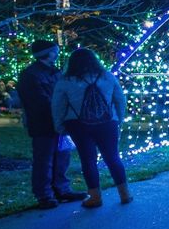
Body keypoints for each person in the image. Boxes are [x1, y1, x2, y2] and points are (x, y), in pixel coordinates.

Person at [50, 48, 130, 208]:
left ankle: (95, 197)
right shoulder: (107, 76)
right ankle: (125, 194)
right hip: (107, 123)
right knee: (113, 157)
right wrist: (118, 120)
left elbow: (58, 105)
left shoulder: (66, 80)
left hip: (78, 124)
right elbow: (120, 100)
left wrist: (59, 125)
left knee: (88, 160)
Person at [18, 40, 86, 209]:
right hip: (44, 125)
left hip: (61, 123)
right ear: (48, 53)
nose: (57, 53)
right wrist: (61, 110)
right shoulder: (31, 75)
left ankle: (62, 189)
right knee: (44, 159)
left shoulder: (56, 73)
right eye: (55, 51)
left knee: (62, 156)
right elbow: (39, 101)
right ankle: (44, 195)